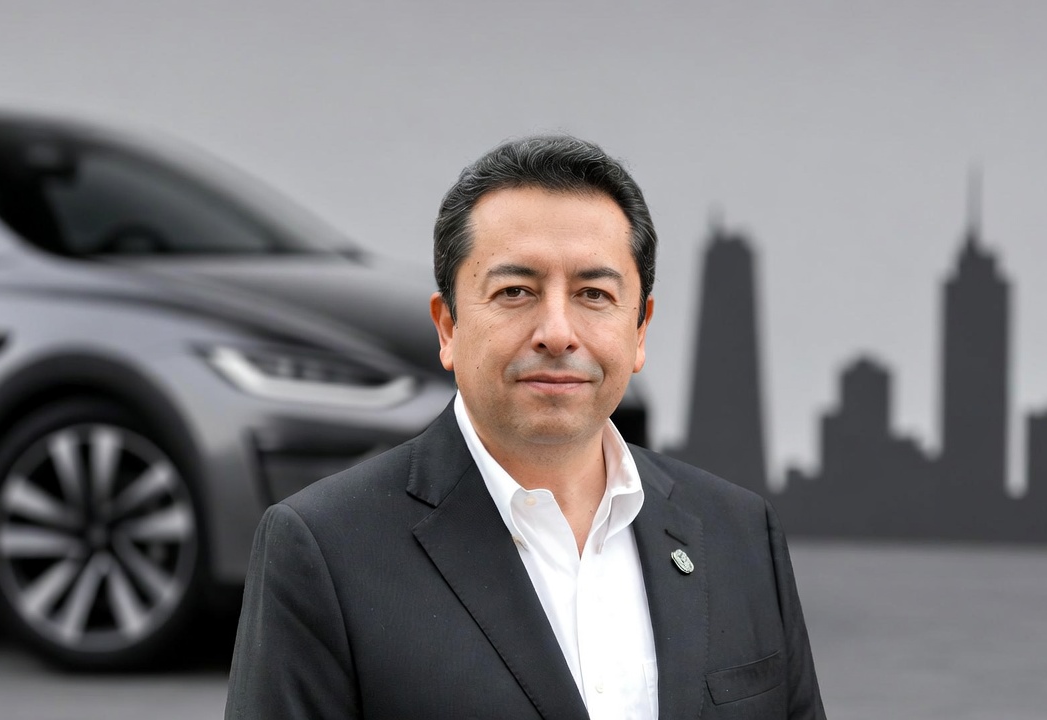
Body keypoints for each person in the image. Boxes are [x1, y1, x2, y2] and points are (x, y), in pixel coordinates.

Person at [225, 136, 826, 719]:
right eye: (515, 291)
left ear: (640, 329)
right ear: (447, 327)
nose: (557, 332)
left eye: (594, 293)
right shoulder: (324, 549)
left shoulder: (739, 534)